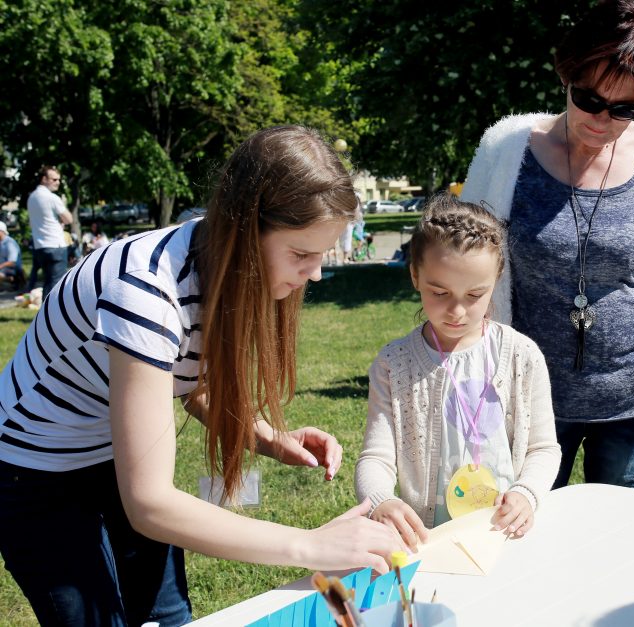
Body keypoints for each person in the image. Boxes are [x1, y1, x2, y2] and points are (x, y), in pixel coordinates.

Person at [0, 126, 404, 626]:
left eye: (322, 254)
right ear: (243, 230)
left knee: (166, 616)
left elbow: (192, 382)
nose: (316, 273)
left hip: (111, 450)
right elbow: (149, 503)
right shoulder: (144, 292)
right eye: (302, 254)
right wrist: (310, 545)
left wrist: (270, 437)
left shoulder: (213, 263)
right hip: (35, 472)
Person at [461, 0, 634, 493]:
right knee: (526, 540)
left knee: (622, 543)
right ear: (567, 75)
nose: (602, 120)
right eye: (588, 99)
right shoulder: (506, 150)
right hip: (526, 399)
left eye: (627, 108)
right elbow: (465, 269)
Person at [356, 195, 561, 548]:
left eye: (474, 295)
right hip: (427, 541)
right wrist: (379, 500)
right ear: (415, 275)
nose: (457, 311)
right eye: (439, 292)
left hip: (503, 536)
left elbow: (544, 448)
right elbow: (376, 456)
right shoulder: (394, 365)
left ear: (495, 280)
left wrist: (527, 493)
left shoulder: (522, 356)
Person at [26, 165, 73, 298]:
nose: (57, 182)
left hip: (40, 246)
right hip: (55, 246)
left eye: (58, 180)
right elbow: (69, 219)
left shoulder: (32, 198)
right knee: (56, 286)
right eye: (54, 179)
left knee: (48, 282)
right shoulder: (52, 198)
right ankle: (51, 316)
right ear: (44, 179)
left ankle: (44, 315)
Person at [0, 221, 24, 290]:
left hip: (12, 268)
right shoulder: (1, 242)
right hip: (4, 267)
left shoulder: (10, 243)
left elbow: (12, 262)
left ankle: (13, 279)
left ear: (1, 231)